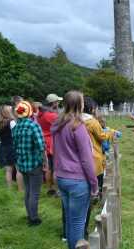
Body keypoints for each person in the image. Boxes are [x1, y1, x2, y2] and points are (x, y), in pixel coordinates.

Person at [51, 91, 98, 249]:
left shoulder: (57, 125)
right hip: (77, 181)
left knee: (71, 220)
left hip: (62, 177)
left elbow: (56, 151)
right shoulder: (78, 127)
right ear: (79, 104)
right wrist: (94, 184)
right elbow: (86, 159)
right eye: (82, 101)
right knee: (78, 222)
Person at [11, 101, 47, 226]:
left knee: (28, 191)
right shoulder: (33, 126)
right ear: (30, 111)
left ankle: (30, 215)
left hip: (22, 164)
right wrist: (46, 161)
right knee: (35, 193)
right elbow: (41, 147)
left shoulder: (15, 128)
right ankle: (34, 219)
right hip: (34, 163)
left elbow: (15, 147)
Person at [83, 97, 115, 203]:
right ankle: (97, 197)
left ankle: (88, 197)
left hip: (82, 155)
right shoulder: (93, 122)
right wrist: (111, 131)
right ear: (91, 109)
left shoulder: (76, 121)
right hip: (94, 154)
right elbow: (103, 136)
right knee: (98, 178)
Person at [38, 94, 63, 197]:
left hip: (44, 143)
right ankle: (57, 191)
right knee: (56, 168)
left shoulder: (40, 114)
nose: (58, 103)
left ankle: (49, 189)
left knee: (48, 168)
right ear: (53, 103)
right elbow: (61, 127)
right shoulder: (52, 115)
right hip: (53, 143)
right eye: (57, 102)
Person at [0, 105, 23, 191]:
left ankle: (9, 189)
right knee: (19, 169)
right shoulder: (11, 122)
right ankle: (20, 189)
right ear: (7, 112)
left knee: (9, 169)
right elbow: (16, 135)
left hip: (4, 148)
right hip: (13, 147)